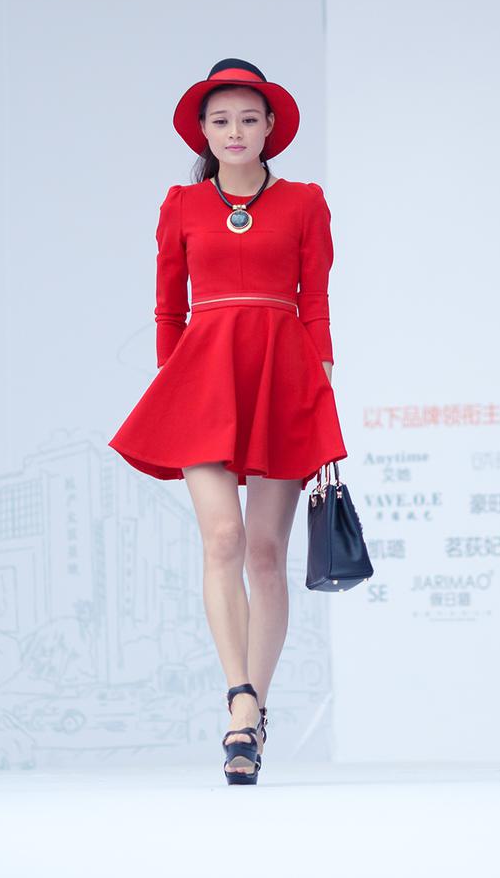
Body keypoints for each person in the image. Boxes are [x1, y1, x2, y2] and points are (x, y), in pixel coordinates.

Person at [108, 57, 348, 785]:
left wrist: (321, 383)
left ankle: (254, 715)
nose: (235, 131)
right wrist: (173, 384)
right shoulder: (181, 205)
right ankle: (238, 699)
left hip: (282, 375)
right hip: (201, 379)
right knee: (223, 537)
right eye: (221, 120)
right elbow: (167, 307)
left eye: (248, 118)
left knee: (266, 552)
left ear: (271, 126)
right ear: (204, 132)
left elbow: (315, 301)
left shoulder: (304, 201)